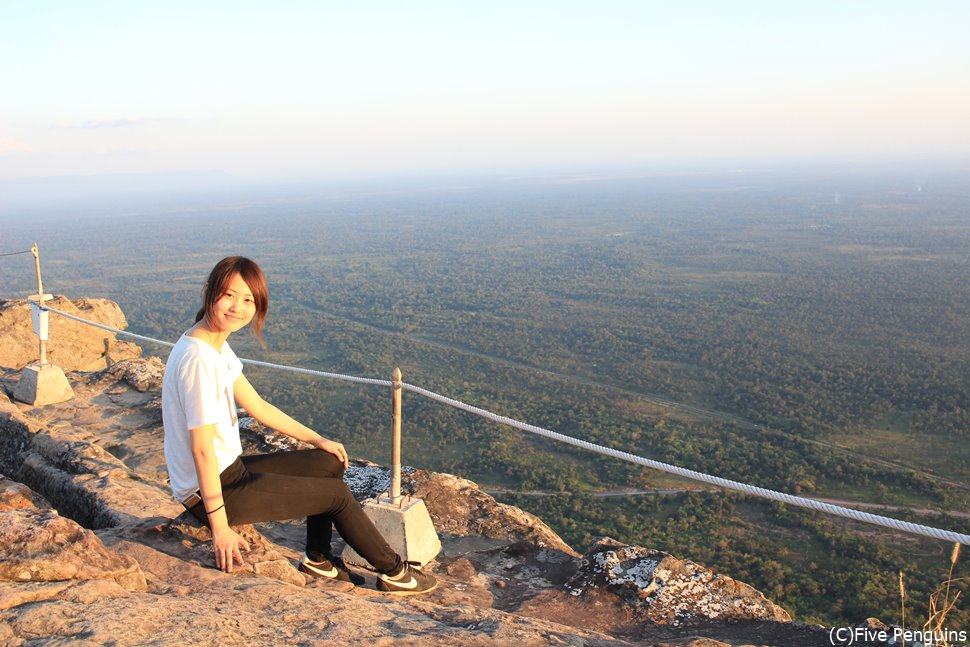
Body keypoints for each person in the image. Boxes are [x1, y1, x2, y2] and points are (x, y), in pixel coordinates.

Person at [161, 256, 436, 594]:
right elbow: (201, 450)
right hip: (210, 491)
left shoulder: (214, 346)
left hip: (230, 472)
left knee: (328, 463)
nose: (238, 307)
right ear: (209, 292)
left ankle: (318, 559)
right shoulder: (198, 360)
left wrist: (318, 440)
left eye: (248, 300)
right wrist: (220, 527)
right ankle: (394, 572)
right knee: (335, 496)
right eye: (229, 295)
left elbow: (258, 406)